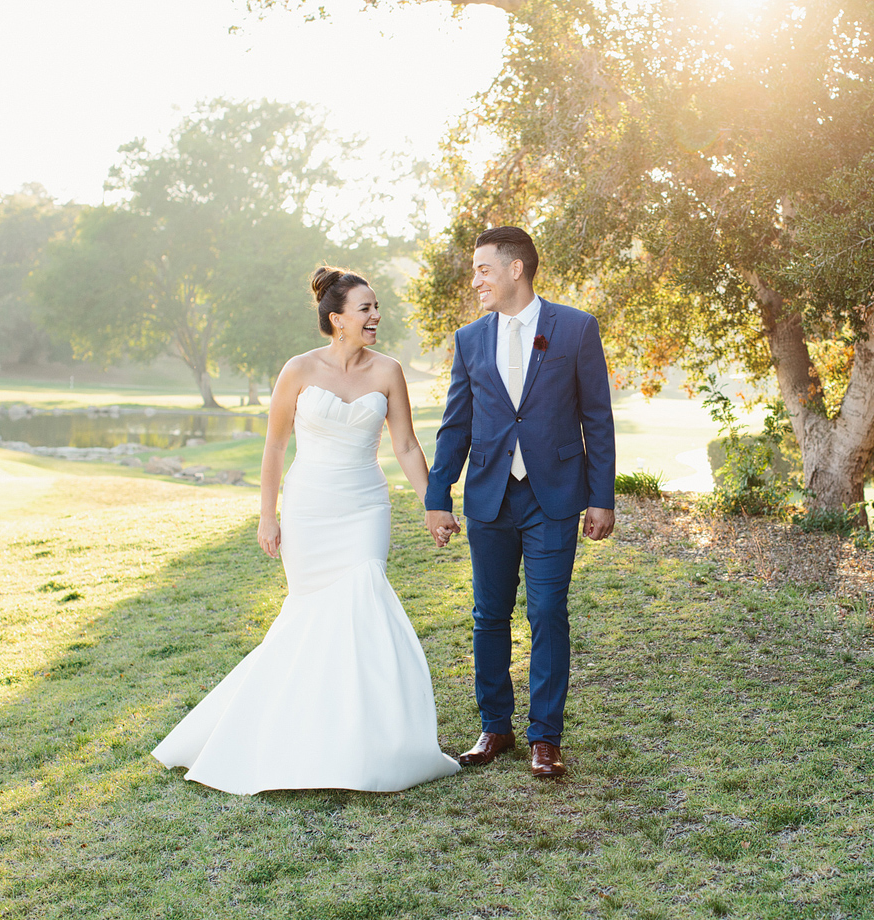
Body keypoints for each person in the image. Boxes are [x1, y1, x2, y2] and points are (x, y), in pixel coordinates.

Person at [152, 267, 461, 794]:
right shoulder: (297, 370)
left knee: (363, 604)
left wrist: (435, 504)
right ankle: (292, 735)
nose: (376, 316)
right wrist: (267, 514)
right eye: (365, 309)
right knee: (309, 618)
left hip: (364, 506)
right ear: (336, 319)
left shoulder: (388, 371)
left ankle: (369, 741)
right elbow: (274, 446)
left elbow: (406, 446)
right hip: (309, 509)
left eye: (376, 307)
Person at [425, 226, 616, 779]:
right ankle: (496, 727)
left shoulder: (576, 328)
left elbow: (596, 418)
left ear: (516, 269)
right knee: (489, 615)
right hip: (489, 496)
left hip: (553, 495)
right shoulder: (469, 339)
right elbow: (454, 425)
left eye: (484, 268)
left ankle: (545, 737)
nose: (476, 279)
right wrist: (440, 497)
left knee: (548, 612)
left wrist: (600, 497)